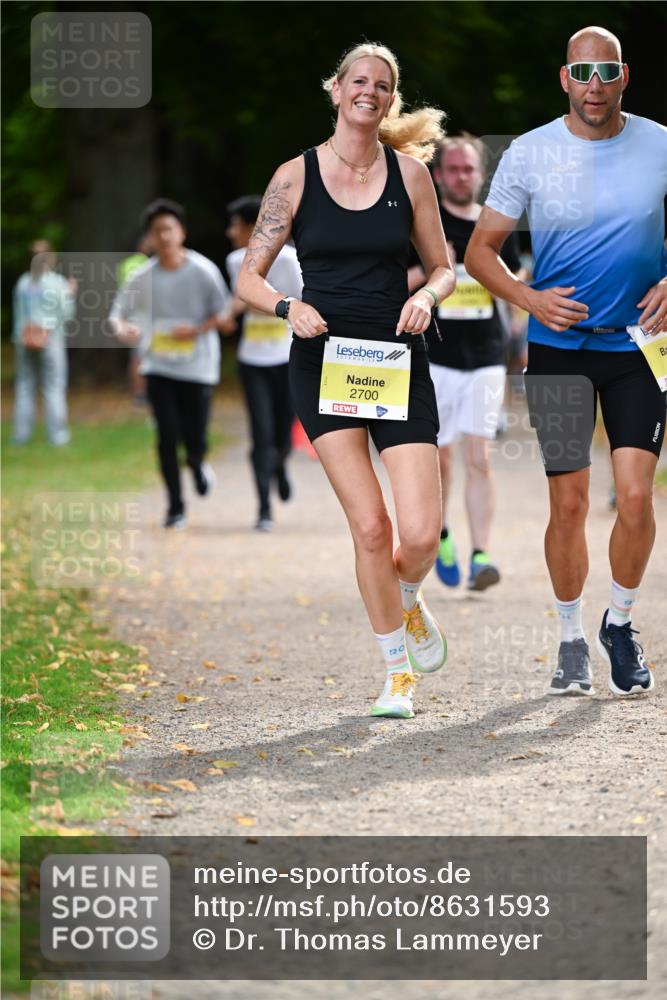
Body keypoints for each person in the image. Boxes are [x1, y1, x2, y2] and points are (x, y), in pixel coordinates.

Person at [237, 43, 455, 719]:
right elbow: (247, 274)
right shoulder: (293, 178)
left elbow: (443, 266)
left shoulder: (410, 177)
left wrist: (427, 298)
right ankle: (396, 675)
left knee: (419, 535)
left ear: (391, 100)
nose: (369, 91)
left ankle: (408, 595)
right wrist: (286, 305)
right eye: (358, 80)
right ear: (335, 90)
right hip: (324, 360)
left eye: (382, 85)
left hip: (396, 357)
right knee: (369, 527)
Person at [466, 26, 667, 697]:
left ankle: (619, 622)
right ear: (563, 78)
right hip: (556, 352)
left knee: (636, 499)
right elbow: (478, 251)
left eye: (605, 72)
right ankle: (570, 639)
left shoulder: (659, 143)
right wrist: (526, 298)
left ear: (623, 77)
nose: (593, 84)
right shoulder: (529, 153)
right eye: (581, 72)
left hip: (639, 346)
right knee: (570, 502)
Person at [410, 136, 524, 591]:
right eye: (453, 169)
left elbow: (517, 285)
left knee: (480, 458)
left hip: (486, 358)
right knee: (441, 458)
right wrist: (438, 271)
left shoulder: (495, 227)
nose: (461, 176)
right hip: (435, 357)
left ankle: (480, 556)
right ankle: (440, 535)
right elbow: (398, 283)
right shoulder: (424, 225)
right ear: (439, 176)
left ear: (481, 175)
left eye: (468, 169)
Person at [109, 198, 230, 529]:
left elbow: (224, 315)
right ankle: (175, 507)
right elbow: (117, 313)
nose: (162, 236)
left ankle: (197, 461)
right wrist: (124, 329)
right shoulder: (142, 276)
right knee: (165, 437)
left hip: (198, 366)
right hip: (158, 366)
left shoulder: (203, 271)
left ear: (181, 232)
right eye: (155, 231)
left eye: (168, 229)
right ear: (149, 237)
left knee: (195, 438)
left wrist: (195, 329)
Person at [224, 195, 303, 531]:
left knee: (284, 433)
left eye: (235, 225)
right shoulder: (233, 261)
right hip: (252, 359)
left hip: (286, 357)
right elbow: (236, 302)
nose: (230, 232)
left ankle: (280, 464)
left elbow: (304, 301)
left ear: (251, 226)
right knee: (260, 433)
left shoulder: (289, 259)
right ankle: (263, 509)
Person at [12, 240, 76, 446]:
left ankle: (21, 436)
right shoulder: (56, 282)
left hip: (24, 338)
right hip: (51, 339)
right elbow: (66, 313)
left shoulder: (23, 282)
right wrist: (71, 295)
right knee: (54, 386)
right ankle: (58, 437)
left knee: (24, 386)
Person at [117, 232, 154, 406]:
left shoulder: (125, 264)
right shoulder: (143, 264)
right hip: (140, 314)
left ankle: (142, 392)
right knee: (139, 355)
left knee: (139, 354)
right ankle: (140, 393)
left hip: (134, 313)